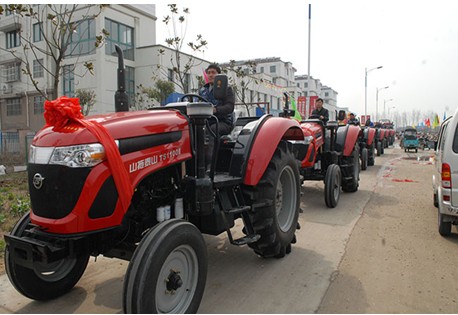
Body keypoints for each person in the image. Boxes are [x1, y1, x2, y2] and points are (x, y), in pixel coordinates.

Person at [199, 64, 235, 170]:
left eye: (213, 72)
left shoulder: (226, 89)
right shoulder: (202, 91)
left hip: (223, 122)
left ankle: (210, 166)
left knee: (212, 130)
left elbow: (230, 107)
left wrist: (216, 110)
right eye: (208, 73)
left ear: (218, 75)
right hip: (206, 121)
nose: (210, 75)